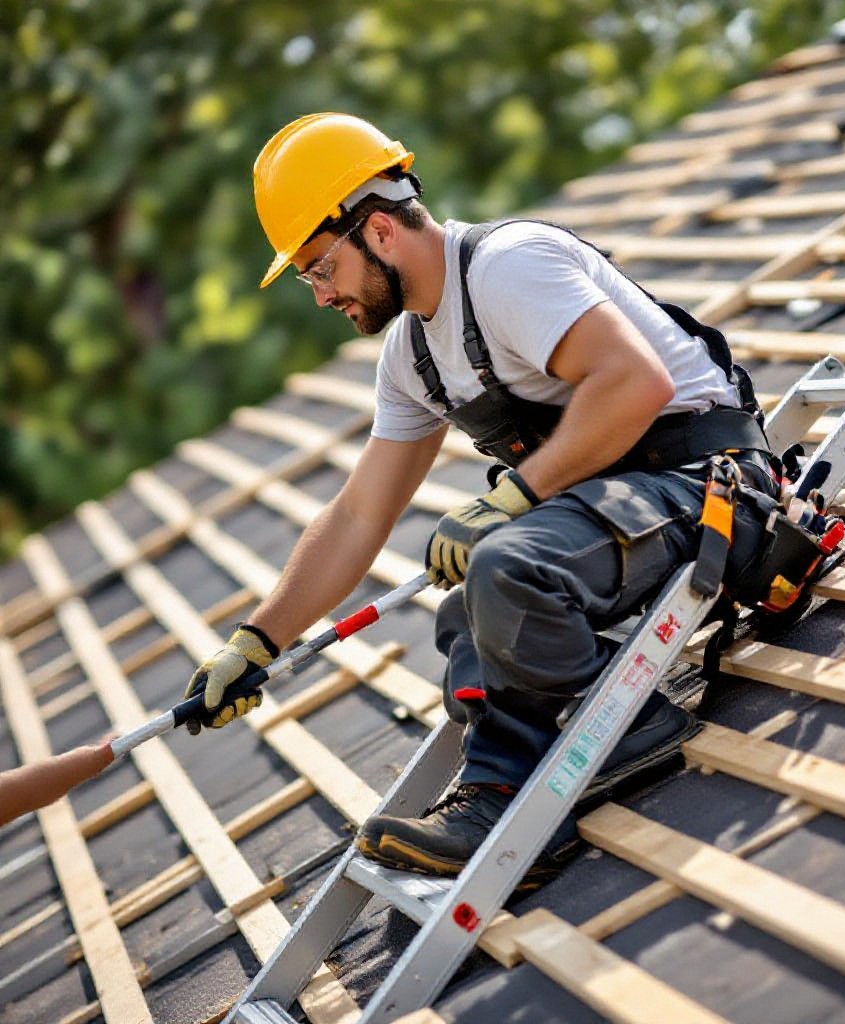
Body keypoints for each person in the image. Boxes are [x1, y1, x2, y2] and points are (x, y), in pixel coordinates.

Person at [183, 112, 777, 886]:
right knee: (468, 614)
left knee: (505, 568)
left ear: (378, 230)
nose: (321, 295)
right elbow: (359, 515)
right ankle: (500, 800)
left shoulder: (507, 268)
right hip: (629, 515)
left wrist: (512, 500)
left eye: (321, 268)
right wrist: (257, 642)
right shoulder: (413, 356)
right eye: (308, 278)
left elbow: (636, 384)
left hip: (712, 490)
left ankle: (624, 729)